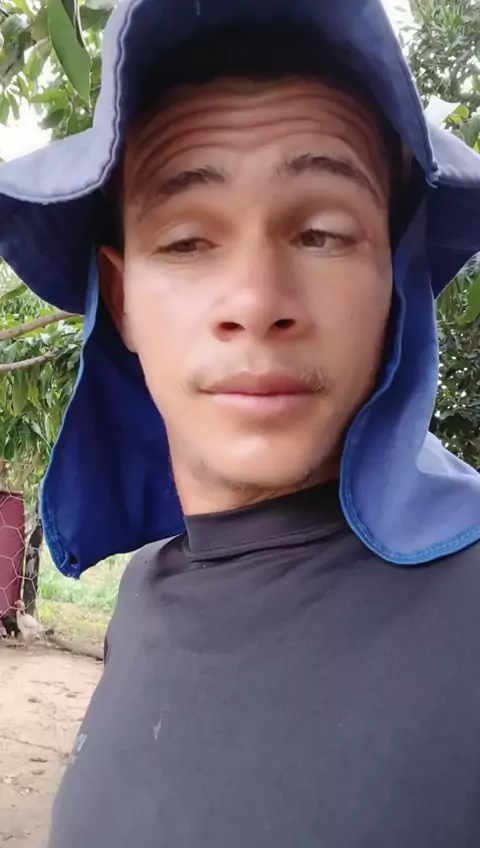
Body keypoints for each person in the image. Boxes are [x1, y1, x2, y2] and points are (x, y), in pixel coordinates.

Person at [1, 1, 480, 845]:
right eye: (188, 242)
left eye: (323, 233)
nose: (256, 302)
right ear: (121, 300)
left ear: (393, 280)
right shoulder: (144, 596)